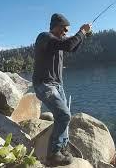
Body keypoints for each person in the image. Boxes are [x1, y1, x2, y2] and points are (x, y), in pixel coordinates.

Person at [32, 13, 92, 166]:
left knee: (64, 117)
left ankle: (63, 147)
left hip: (58, 85)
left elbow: (72, 47)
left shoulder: (57, 42)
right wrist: (82, 31)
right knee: (64, 115)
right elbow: (69, 44)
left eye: (67, 30)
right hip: (44, 85)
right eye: (64, 29)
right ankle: (53, 153)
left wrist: (83, 35)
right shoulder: (45, 37)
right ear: (56, 27)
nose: (66, 32)